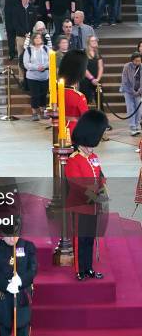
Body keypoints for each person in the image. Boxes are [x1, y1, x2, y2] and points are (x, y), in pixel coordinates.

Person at [65, 110, 109, 281]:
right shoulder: (73, 159)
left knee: (90, 239)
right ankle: (79, 270)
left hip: (93, 206)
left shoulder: (94, 157)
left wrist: (103, 190)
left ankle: (89, 267)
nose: (92, 147)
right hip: (80, 206)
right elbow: (77, 186)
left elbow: (100, 177)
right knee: (80, 240)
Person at [58, 49, 89, 141]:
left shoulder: (56, 93)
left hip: (59, 129)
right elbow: (85, 119)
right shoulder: (79, 96)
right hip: (75, 131)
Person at [23, 32, 50, 120]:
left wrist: (44, 66)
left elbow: (51, 60)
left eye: (39, 38)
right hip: (33, 77)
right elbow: (26, 64)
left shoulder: (46, 48)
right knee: (35, 95)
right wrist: (37, 67)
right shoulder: (29, 50)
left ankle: (43, 111)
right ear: (33, 39)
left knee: (43, 95)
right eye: (36, 38)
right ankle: (34, 113)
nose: (38, 39)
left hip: (44, 76)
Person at [120, 52, 142, 136]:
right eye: (136, 61)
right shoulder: (127, 66)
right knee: (131, 109)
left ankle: (136, 126)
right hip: (128, 91)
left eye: (139, 61)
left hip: (139, 91)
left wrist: (139, 91)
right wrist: (131, 91)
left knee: (138, 110)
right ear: (132, 60)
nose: (138, 62)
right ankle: (132, 127)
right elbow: (124, 81)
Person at [79, 35, 103, 105]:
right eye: (92, 41)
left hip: (96, 80)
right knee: (85, 101)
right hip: (85, 80)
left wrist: (98, 79)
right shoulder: (83, 53)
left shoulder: (97, 53)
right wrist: (92, 79)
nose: (95, 42)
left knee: (99, 100)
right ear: (88, 42)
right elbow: (84, 68)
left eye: (95, 40)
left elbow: (100, 66)